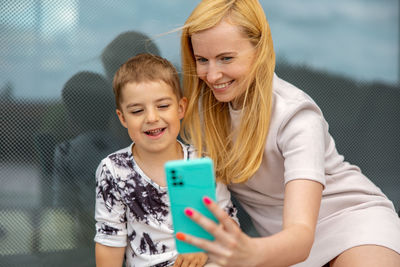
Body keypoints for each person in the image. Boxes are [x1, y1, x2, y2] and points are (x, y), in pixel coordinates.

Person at [177, 0, 400, 266]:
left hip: (354, 224)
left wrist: (250, 253)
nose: (212, 75)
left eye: (226, 58)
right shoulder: (204, 114)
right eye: (202, 60)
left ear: (259, 50)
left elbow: (301, 237)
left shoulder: (296, 116)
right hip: (281, 249)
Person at [94, 53, 238, 267]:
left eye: (162, 106)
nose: (151, 118)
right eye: (137, 110)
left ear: (181, 108)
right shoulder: (114, 170)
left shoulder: (201, 163)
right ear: (123, 117)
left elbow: (230, 228)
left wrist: (205, 248)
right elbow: (109, 240)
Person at [52, 71, 121, 249]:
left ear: (70, 116)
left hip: (87, 237)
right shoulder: (124, 147)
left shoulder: (66, 151)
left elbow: (63, 204)